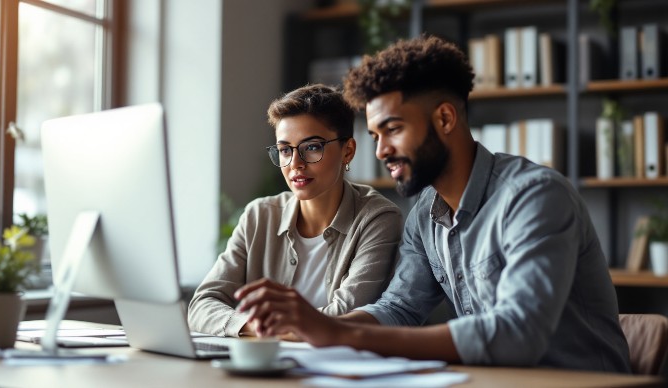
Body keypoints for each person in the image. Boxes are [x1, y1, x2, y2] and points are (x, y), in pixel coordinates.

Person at [234, 35, 632, 373]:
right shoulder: (425, 212)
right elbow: (399, 308)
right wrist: (314, 326)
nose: (382, 150)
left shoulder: (535, 197)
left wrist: (339, 332)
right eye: (374, 135)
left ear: (444, 119)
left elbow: (518, 333)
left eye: (393, 129)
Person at [188, 84, 402, 338]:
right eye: (285, 150)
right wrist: (253, 326)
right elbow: (202, 304)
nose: (295, 164)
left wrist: (265, 329)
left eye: (312, 147)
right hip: (269, 367)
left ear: (348, 151)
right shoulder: (259, 216)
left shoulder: (377, 218)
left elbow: (347, 316)